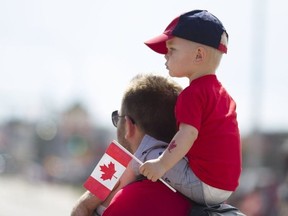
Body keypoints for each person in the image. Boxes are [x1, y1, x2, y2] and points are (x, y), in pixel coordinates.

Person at [139, 9, 242, 206]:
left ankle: (108, 195)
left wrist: (160, 165)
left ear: (198, 55)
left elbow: (188, 134)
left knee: (146, 150)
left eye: (172, 50)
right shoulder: (222, 95)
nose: (165, 57)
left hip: (203, 184)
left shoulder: (192, 94)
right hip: (225, 188)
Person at [71, 74, 192, 216]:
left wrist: (84, 206)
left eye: (118, 117)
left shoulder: (129, 202)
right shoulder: (196, 189)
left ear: (129, 126)